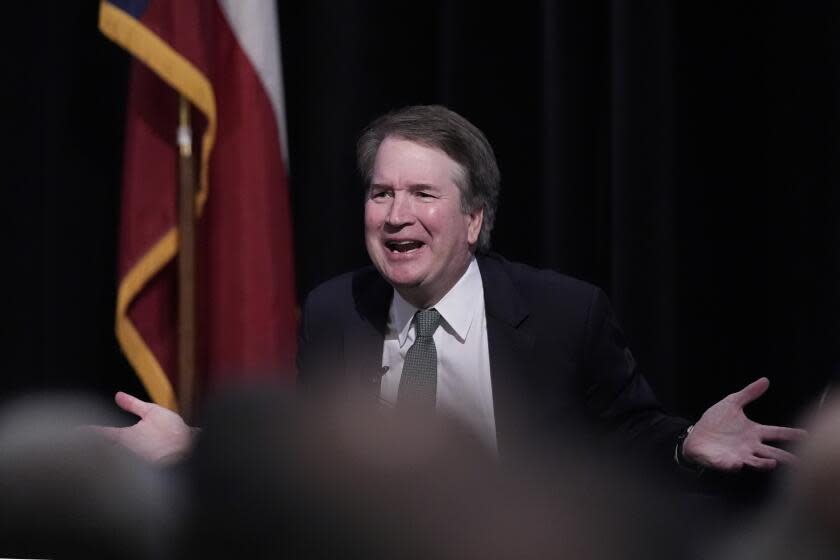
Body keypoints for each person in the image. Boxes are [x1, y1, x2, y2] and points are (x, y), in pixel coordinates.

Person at [102, 104, 805, 474]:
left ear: (474, 219)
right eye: (381, 193)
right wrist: (197, 443)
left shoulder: (564, 312)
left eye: (420, 194)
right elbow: (308, 447)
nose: (396, 214)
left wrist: (688, 444)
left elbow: (629, 434)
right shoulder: (335, 311)